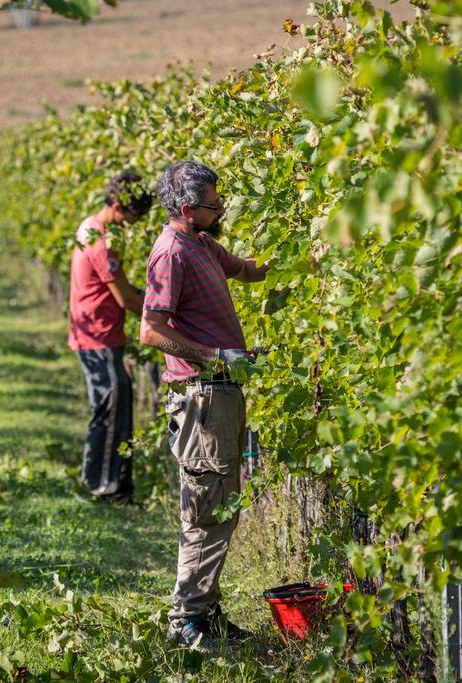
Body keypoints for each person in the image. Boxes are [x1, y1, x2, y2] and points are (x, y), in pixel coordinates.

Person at [140, 160, 269, 651]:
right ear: (189, 208)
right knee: (206, 509)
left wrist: (312, 253)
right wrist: (218, 355)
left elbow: (250, 271)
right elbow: (151, 330)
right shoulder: (170, 252)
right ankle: (188, 623)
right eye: (215, 205)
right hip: (202, 395)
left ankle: (205, 614)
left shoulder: (201, 244)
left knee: (220, 505)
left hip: (221, 394)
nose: (222, 210)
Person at [68, 172, 151, 504]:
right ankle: (99, 486)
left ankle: (115, 486)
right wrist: (167, 310)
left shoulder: (89, 226)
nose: (131, 225)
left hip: (95, 334)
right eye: (130, 217)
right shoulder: (101, 243)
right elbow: (126, 299)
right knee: (109, 408)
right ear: (117, 206)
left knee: (116, 406)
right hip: (98, 338)